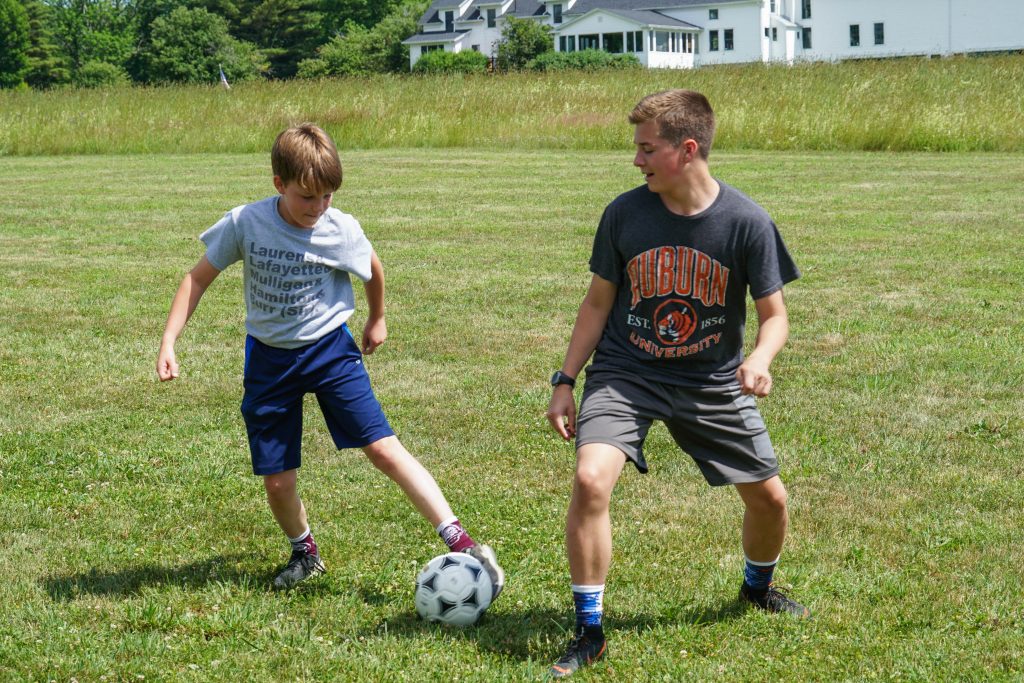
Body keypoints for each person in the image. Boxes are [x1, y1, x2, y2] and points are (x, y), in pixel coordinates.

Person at [156, 123, 504, 595]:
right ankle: (305, 552)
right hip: (269, 362)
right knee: (277, 483)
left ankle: (460, 540)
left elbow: (373, 270)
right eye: (307, 197)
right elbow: (196, 278)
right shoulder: (246, 223)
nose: (319, 207)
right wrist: (170, 341)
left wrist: (377, 318)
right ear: (278, 184)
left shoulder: (341, 229)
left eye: (328, 197)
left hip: (329, 351)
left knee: (382, 447)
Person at [544, 90, 808, 678]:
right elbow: (596, 304)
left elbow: (775, 315)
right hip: (625, 372)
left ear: (687, 150)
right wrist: (565, 381)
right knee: (590, 480)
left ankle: (757, 587)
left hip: (710, 380)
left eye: (646, 149)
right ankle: (589, 629)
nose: (636, 161)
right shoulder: (624, 214)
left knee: (770, 499)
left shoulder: (746, 222)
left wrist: (761, 358)